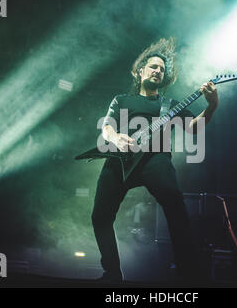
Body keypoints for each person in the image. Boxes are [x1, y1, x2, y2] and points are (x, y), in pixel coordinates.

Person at [91, 37, 218, 283]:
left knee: (175, 206)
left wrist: (212, 106)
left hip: (155, 158)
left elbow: (193, 128)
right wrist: (116, 138)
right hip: (120, 159)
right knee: (100, 216)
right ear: (141, 72)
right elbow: (106, 127)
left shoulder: (169, 105)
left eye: (162, 69)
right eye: (153, 67)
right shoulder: (121, 100)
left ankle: (189, 274)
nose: (158, 71)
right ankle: (112, 274)